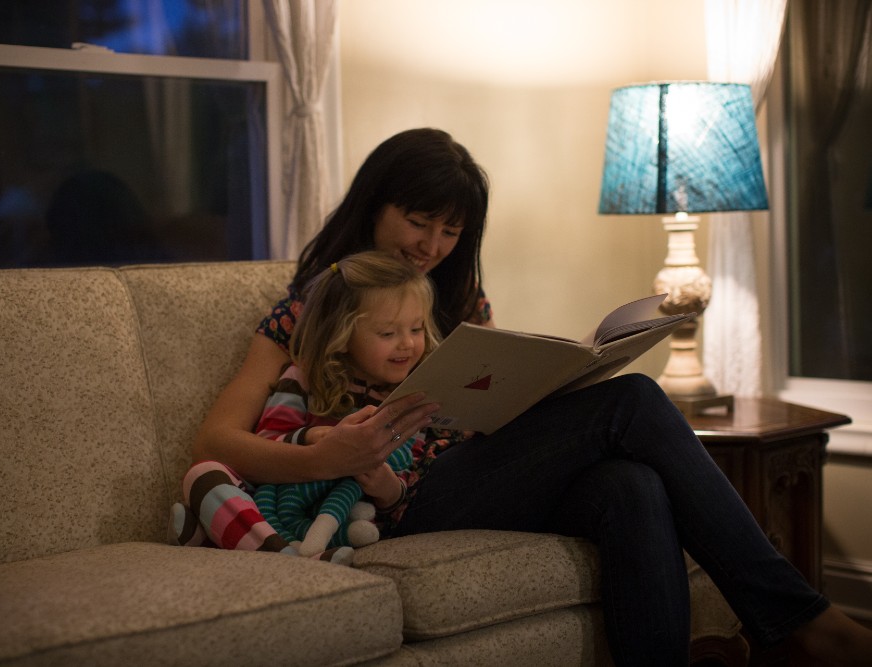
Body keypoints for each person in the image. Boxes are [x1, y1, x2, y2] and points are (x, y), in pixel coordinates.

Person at [185, 128, 872, 666]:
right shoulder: (310, 308)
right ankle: (798, 620)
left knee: (632, 486)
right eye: (419, 221)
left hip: (472, 472)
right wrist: (330, 451)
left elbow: (486, 407)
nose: (432, 245)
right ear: (376, 207)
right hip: (399, 497)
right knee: (632, 400)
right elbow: (216, 442)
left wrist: (545, 387)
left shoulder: (458, 298)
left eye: (451, 231)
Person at [252, 250, 440, 557]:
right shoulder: (304, 378)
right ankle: (287, 550)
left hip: (359, 511)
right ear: (342, 333)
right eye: (388, 333)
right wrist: (311, 440)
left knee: (363, 517)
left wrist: (386, 487)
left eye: (417, 329)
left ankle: (319, 544)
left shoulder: (411, 394)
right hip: (285, 495)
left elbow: (408, 474)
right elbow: (267, 442)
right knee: (208, 476)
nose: (407, 343)